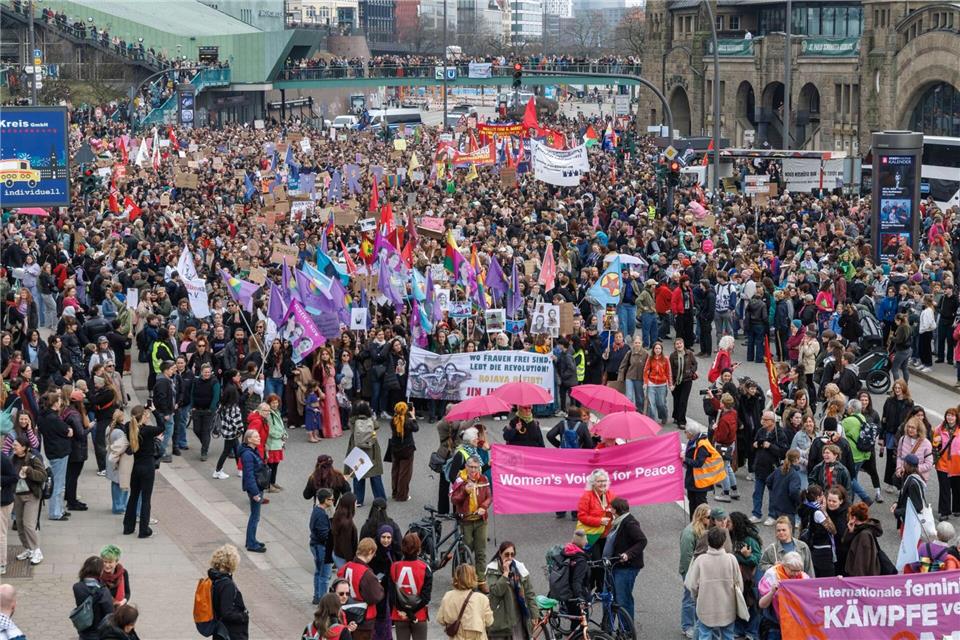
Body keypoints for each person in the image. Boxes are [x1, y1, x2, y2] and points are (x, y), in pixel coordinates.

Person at [684, 527, 742, 640]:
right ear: (724, 541)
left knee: (704, 635)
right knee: (728, 635)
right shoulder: (731, 559)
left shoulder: (700, 560)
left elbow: (692, 586)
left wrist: (696, 598)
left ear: (708, 541)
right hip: (727, 607)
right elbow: (739, 585)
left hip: (705, 607)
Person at [604, 497, 647, 631]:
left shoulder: (629, 523)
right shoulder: (618, 522)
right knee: (609, 597)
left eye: (611, 508)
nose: (609, 510)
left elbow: (642, 541)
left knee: (623, 599)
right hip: (615, 566)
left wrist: (627, 554)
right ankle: (608, 628)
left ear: (615, 510)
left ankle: (626, 631)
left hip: (626, 568)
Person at [450, 455, 492, 587]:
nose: (474, 470)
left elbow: (489, 496)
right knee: (466, 549)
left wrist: (483, 507)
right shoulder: (460, 480)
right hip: (466, 521)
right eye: (471, 467)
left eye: (476, 467)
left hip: (480, 520)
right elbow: (454, 499)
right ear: (466, 467)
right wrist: (465, 492)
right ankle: (464, 578)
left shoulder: (483, 478)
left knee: (481, 551)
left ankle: (481, 580)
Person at [547, 406, 595, 518]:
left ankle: (560, 511)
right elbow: (589, 445)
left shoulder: (562, 423)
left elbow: (549, 435)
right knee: (575, 485)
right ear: (579, 415)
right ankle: (575, 512)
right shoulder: (582, 426)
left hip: (563, 459)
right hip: (577, 461)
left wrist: (559, 445)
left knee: (562, 485)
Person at [122, 405, 162, 539]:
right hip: (148, 466)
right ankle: (143, 529)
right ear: (143, 417)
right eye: (146, 415)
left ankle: (128, 527)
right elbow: (162, 426)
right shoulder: (148, 431)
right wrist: (154, 410)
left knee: (133, 496)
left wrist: (144, 414)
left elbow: (132, 423)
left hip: (136, 466)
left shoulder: (129, 427)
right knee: (146, 499)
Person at [485, 541, 539, 640]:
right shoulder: (492, 569)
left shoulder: (520, 569)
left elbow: (529, 592)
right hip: (500, 620)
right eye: (506, 554)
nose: (509, 557)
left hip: (518, 618)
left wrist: (534, 613)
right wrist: (505, 574)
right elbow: (496, 591)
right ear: (500, 554)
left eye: (512, 554)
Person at [8, 435, 46, 568]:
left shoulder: (33, 459)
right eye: (13, 445)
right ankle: (28, 548)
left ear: (24, 447)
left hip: (31, 495)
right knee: (19, 523)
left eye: (16, 445)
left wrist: (29, 471)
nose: (13, 447)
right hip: (18, 495)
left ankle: (36, 550)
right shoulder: (12, 459)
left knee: (28, 524)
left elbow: (43, 476)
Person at [337, 537, 386, 640]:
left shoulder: (346, 566)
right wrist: (378, 585)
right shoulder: (366, 573)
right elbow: (374, 597)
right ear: (370, 552)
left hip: (346, 614)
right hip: (363, 619)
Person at [757, 551, 811, 640]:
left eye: (799, 570)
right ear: (784, 566)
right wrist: (772, 592)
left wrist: (837, 582)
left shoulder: (804, 577)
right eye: (793, 570)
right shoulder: (772, 576)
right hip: (775, 624)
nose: (796, 574)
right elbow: (762, 604)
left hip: (796, 624)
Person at [390, 532, 432, 640]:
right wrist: (411, 614)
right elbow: (425, 598)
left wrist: (404, 611)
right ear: (419, 548)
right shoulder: (425, 568)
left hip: (400, 614)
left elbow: (392, 595)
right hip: (419, 614)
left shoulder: (394, 567)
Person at [679, 504, 712, 638]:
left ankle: (699, 624)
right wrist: (691, 577)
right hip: (691, 571)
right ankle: (687, 626)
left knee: (701, 599)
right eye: (709, 517)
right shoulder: (689, 533)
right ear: (701, 517)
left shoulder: (707, 530)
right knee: (690, 598)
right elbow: (686, 557)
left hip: (703, 572)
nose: (712, 520)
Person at [38, 391, 71, 521]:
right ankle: (55, 512)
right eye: (58, 401)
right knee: (57, 483)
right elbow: (67, 431)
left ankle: (60, 509)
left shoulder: (42, 417)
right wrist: (68, 430)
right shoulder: (54, 418)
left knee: (58, 482)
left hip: (51, 450)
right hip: (59, 452)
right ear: (54, 404)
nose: (60, 403)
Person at [436, 564, 494, 640]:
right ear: (473, 577)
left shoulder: (448, 596)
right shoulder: (482, 599)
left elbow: (440, 620)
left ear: (456, 578)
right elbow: (489, 621)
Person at [751, 411, 788, 526]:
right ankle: (756, 514)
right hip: (759, 466)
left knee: (773, 494)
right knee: (757, 493)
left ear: (772, 421)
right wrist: (755, 445)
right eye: (762, 419)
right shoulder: (761, 431)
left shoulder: (780, 433)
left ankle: (772, 515)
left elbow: (783, 452)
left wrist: (770, 446)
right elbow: (754, 444)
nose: (763, 421)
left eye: (765, 419)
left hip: (772, 468)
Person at [347, 401, 385, 506]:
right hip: (371, 448)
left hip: (357, 449)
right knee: (375, 475)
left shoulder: (353, 421)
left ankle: (358, 500)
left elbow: (350, 427)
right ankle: (380, 498)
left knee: (358, 474)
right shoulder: (371, 419)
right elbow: (377, 426)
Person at [208, 544, 250, 640]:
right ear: (231, 563)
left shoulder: (215, 579)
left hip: (219, 630)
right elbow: (226, 612)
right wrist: (243, 616)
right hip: (230, 633)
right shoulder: (227, 585)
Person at [684, 424, 726, 518]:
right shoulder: (694, 441)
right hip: (694, 479)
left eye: (686, 432)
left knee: (701, 505)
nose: (685, 433)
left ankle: (704, 523)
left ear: (691, 434)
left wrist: (685, 459)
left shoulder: (702, 445)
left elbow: (699, 463)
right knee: (692, 502)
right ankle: (694, 523)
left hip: (700, 481)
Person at [841, 398, 875, 505]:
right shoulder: (862, 418)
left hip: (853, 455)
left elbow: (840, 432)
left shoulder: (847, 421)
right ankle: (850, 500)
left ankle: (865, 498)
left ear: (851, 408)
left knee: (850, 478)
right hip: (863, 454)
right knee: (854, 477)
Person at [72, 556, 115, 640]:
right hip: (98, 631)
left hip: (84, 627)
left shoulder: (77, 587)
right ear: (99, 571)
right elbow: (109, 613)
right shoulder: (103, 591)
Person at [239, 428, 267, 552]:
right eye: (256, 437)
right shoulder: (248, 454)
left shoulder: (252, 451)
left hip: (257, 486)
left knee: (255, 516)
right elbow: (249, 475)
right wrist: (255, 493)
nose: (259, 438)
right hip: (255, 488)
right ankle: (251, 543)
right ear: (249, 439)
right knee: (254, 516)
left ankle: (251, 540)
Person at [709, 391, 739, 502]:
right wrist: (713, 398)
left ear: (723, 404)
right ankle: (734, 490)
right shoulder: (733, 413)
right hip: (731, 444)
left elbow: (720, 437)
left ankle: (726, 493)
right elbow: (719, 407)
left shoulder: (724, 420)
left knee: (723, 470)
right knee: (728, 467)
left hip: (723, 446)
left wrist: (715, 428)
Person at [841, 502, 883, 576]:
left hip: (859, 578)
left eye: (849, 514)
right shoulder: (859, 529)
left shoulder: (864, 535)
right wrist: (850, 531)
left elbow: (862, 563)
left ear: (853, 517)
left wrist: (858, 581)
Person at [932, 408, 960, 521]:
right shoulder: (939, 428)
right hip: (942, 463)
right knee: (944, 488)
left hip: (957, 464)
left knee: (957, 488)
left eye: (952, 415)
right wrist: (935, 441)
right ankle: (944, 512)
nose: (950, 417)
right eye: (948, 415)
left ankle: (957, 508)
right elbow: (934, 445)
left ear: (956, 418)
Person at [387, 402, 418, 502]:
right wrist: (413, 416)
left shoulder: (392, 420)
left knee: (395, 471)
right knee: (404, 473)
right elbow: (416, 428)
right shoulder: (408, 422)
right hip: (407, 449)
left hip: (395, 448)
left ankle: (395, 492)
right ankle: (402, 495)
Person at [310, 488, 335, 605]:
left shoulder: (317, 511)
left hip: (316, 546)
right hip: (322, 547)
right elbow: (324, 534)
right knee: (325, 575)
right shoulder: (321, 515)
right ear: (325, 500)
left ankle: (317, 597)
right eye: (331, 499)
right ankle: (323, 601)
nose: (333, 500)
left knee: (318, 572)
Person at [765, 450, 803, 521]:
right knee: (788, 530)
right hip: (788, 508)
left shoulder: (779, 469)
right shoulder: (794, 475)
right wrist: (798, 502)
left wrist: (774, 493)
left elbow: (768, 481)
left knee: (779, 530)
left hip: (777, 506)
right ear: (796, 460)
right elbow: (794, 491)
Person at [895, 414, 933, 483]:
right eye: (908, 427)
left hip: (918, 477)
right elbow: (899, 456)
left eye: (913, 428)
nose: (910, 429)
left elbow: (929, 464)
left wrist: (913, 469)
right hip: (904, 475)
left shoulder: (926, 443)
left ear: (919, 429)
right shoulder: (903, 439)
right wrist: (899, 468)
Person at [670, 337, 698, 428]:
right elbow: (670, 369)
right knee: (676, 399)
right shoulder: (672, 356)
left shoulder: (689, 353)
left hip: (687, 381)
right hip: (676, 381)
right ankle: (676, 416)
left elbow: (695, 364)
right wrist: (671, 382)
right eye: (677, 344)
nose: (679, 345)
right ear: (675, 346)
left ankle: (681, 421)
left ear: (683, 344)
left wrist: (691, 371)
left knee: (683, 401)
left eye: (680, 343)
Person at [264, 394, 287, 492]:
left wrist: (284, 434)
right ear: (269, 403)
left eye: (276, 402)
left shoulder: (276, 412)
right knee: (271, 465)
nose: (275, 404)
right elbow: (271, 430)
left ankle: (272, 482)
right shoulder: (269, 414)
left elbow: (281, 426)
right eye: (273, 402)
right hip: (272, 444)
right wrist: (281, 435)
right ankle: (268, 485)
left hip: (278, 444)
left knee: (275, 464)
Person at [331, 493, 359, 569]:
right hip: (344, 558)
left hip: (337, 553)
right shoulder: (347, 524)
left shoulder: (338, 515)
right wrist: (351, 562)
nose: (356, 506)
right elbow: (346, 545)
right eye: (355, 503)